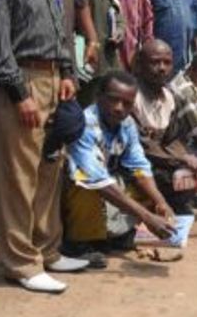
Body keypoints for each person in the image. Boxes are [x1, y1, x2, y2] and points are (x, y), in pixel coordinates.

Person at [0, 0, 88, 294]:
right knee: (17, 176)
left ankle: (47, 249)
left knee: (49, 169)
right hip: (19, 82)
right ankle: (21, 262)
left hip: (53, 79)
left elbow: (61, 29)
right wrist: (19, 93)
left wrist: (68, 73)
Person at [62, 70, 179, 261]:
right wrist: (147, 217)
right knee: (84, 187)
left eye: (127, 103)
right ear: (98, 97)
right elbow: (97, 180)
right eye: (113, 100)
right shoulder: (85, 124)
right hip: (81, 187)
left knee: (149, 185)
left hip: (108, 182)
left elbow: (139, 165)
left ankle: (115, 236)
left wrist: (160, 202)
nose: (119, 108)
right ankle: (79, 245)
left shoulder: (127, 123)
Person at [129, 39, 197, 217]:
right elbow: (141, 145)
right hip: (133, 163)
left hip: (162, 161)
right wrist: (180, 159)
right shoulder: (130, 97)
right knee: (169, 176)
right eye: (155, 62)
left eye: (167, 63)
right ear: (140, 65)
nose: (162, 68)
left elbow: (173, 138)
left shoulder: (170, 97)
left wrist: (186, 157)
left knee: (189, 174)